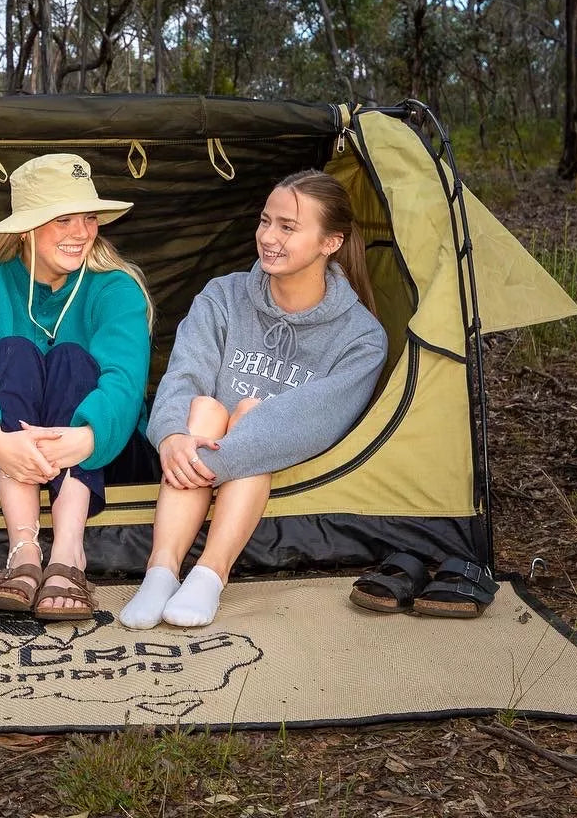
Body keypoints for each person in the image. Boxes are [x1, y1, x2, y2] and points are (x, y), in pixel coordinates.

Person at [119, 168, 388, 630]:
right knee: (205, 408)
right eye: (266, 221)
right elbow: (183, 373)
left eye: (288, 227)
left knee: (255, 418)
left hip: (275, 464)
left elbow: (316, 419)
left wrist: (214, 456)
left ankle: (210, 572)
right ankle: (161, 572)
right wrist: (169, 438)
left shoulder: (361, 336)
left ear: (331, 242)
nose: (269, 237)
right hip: (198, 451)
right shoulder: (223, 296)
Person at [0, 154, 154, 621]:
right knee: (13, 351)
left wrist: (86, 438)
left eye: (89, 218)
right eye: (63, 219)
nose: (81, 232)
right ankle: (24, 551)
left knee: (73, 360)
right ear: (26, 228)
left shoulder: (115, 288)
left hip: (102, 454)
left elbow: (125, 380)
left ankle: (69, 552)